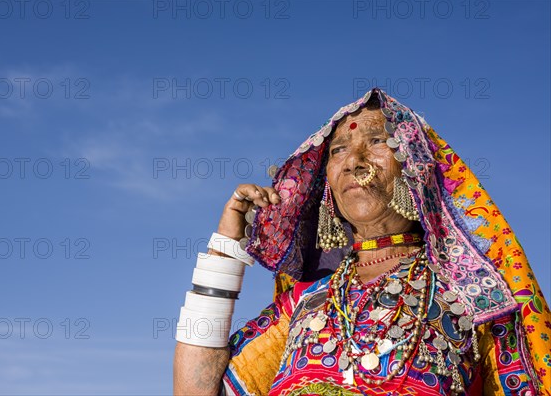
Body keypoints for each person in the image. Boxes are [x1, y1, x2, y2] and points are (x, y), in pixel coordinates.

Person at [173, 88, 551, 395]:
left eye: (377, 141)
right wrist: (225, 250)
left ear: (416, 166)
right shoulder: (306, 302)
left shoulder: (477, 297)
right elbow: (196, 390)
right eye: (338, 150)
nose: (354, 160)